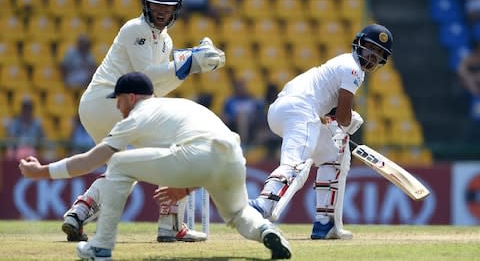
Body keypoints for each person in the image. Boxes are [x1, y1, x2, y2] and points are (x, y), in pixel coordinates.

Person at [18, 72, 292, 260]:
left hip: (198, 154)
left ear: (132, 97)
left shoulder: (138, 116)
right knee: (239, 214)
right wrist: (186, 186)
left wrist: (42, 172)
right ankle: (267, 231)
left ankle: (101, 246)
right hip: (232, 154)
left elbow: (92, 159)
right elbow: (210, 154)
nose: (118, 107)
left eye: (119, 99)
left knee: (119, 162)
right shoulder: (179, 106)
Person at [60, 0, 226, 243]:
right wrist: (188, 61)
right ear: (145, 4)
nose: (161, 11)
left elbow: (154, 87)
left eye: (167, 6)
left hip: (105, 107)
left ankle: (79, 212)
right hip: (111, 101)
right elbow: (146, 74)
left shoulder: (165, 40)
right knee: (180, 144)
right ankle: (171, 225)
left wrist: (192, 66)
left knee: (125, 170)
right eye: (156, 5)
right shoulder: (135, 29)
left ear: (176, 8)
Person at [248, 24, 394, 240]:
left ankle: (325, 224)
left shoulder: (345, 64)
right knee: (296, 163)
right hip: (300, 109)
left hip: (289, 110)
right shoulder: (352, 69)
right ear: (359, 44)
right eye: (371, 48)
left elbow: (332, 112)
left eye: (380, 54)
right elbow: (343, 117)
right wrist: (350, 120)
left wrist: (339, 120)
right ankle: (261, 206)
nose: (373, 56)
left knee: (334, 156)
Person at [222, 79, 264, 146]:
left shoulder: (252, 99)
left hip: (252, 124)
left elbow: (259, 112)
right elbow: (225, 115)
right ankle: (243, 143)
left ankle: (246, 143)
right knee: (242, 116)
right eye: (239, 87)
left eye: (242, 87)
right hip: (234, 125)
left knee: (244, 116)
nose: (241, 89)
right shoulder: (230, 101)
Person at [5, 97, 45, 162]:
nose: (27, 111)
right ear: (22, 110)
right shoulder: (15, 123)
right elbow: (11, 138)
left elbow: (43, 138)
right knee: (10, 152)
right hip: (18, 148)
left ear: (32, 110)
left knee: (32, 153)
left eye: (29, 109)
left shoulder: (36, 124)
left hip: (33, 148)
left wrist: (37, 142)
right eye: (25, 109)